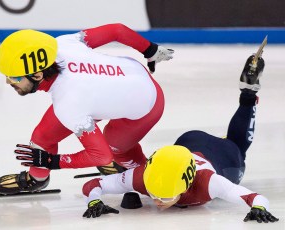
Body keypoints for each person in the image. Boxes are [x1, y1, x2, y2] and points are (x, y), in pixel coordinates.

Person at [78, 54, 279, 222]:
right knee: (234, 142)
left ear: (185, 187)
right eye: (154, 194)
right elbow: (93, 185)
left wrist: (259, 209)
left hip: (221, 156)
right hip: (189, 144)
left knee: (237, 149)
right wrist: (94, 201)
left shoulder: (209, 182)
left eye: (165, 197)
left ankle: (248, 97)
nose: (157, 202)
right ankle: (248, 95)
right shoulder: (142, 178)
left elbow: (255, 198)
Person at [0, 23, 174, 194]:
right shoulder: (62, 43)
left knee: (115, 149)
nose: (8, 82)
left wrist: (52, 161)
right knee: (43, 136)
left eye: (15, 78)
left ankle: (143, 174)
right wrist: (150, 49)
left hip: (148, 104)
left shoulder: (68, 103)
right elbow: (117, 30)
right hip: (129, 74)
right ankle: (37, 179)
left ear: (38, 74)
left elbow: (101, 156)